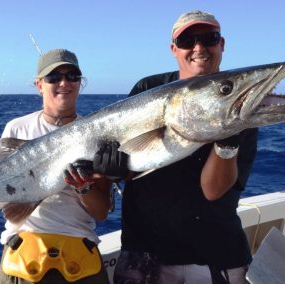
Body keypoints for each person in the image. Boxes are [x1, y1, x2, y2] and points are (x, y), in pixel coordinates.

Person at [0, 48, 124, 284]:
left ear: (80, 83)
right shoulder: (17, 128)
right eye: (53, 77)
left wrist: (84, 188)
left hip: (81, 256)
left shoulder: (98, 133)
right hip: (22, 258)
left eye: (72, 76)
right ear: (39, 84)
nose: (64, 83)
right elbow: (3, 194)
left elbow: (101, 212)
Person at [113, 10, 258, 284]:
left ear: (222, 44)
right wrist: (110, 167)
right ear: (174, 49)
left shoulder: (241, 107)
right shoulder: (148, 88)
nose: (199, 48)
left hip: (216, 257)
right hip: (144, 254)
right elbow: (128, 169)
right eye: (188, 41)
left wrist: (228, 135)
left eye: (208, 38)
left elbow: (213, 190)